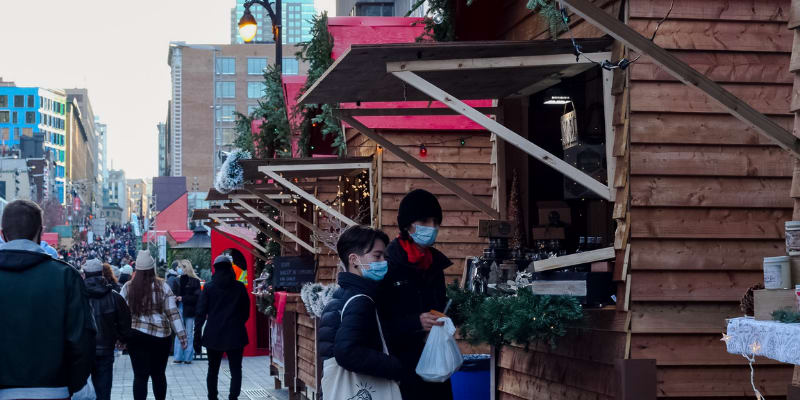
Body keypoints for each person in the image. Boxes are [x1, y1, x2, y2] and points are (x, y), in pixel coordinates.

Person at [0, 200, 95, 400]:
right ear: (41, 232)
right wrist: (74, 384)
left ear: (3, 234)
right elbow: (82, 338)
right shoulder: (65, 276)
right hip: (54, 389)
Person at [378, 189, 453, 400]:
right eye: (424, 220)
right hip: (401, 368)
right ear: (407, 225)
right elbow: (379, 321)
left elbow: (439, 304)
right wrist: (415, 323)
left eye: (436, 222)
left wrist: (446, 317)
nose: (432, 227)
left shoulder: (435, 264)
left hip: (435, 365)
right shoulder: (387, 263)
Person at [318, 226, 405, 383]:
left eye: (384, 257)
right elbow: (347, 352)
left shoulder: (343, 293)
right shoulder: (361, 300)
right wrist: (394, 366)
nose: (383, 262)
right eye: (377, 256)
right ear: (354, 260)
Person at [121, 250, 187, 400]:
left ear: (136, 269)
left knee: (140, 376)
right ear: (152, 269)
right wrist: (182, 336)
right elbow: (173, 313)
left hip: (135, 335)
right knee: (158, 375)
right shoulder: (162, 287)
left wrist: (120, 338)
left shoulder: (127, 287)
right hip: (161, 337)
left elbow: (121, 314)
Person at [194, 255, 250, 400]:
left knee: (213, 370)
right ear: (230, 268)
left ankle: (212, 397)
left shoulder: (209, 288)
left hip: (214, 334)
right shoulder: (239, 287)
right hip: (236, 333)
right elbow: (246, 312)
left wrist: (197, 337)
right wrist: (237, 322)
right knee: (236, 369)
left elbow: (200, 313)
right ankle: (233, 397)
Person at [82, 258, 132, 400]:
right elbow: (125, 320)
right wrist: (122, 338)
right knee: (103, 390)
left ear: (85, 274)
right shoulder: (114, 297)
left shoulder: (77, 296)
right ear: (101, 273)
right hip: (105, 349)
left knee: (81, 391)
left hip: (82, 350)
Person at [173, 260, 201, 364]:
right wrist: (175, 297)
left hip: (189, 309)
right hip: (179, 308)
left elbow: (197, 297)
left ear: (185, 268)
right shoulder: (177, 280)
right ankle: (178, 356)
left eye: (180, 267)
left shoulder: (195, 281)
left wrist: (183, 298)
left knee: (188, 333)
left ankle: (188, 357)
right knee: (179, 332)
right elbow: (173, 292)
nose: (178, 269)